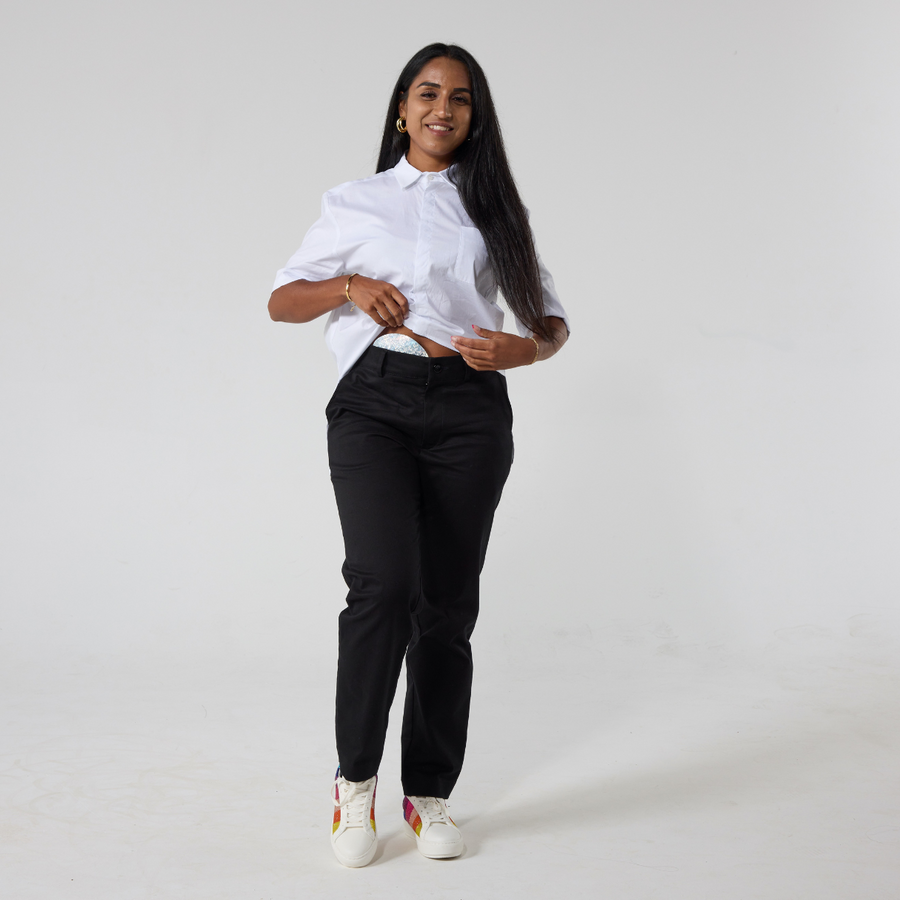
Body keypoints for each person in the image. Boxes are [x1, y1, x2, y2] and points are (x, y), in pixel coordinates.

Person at [268, 43, 569, 868]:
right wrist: (347, 288)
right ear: (402, 108)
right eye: (429, 93)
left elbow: (549, 320)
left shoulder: (495, 209)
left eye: (461, 98)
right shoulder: (355, 201)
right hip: (374, 404)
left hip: (470, 411)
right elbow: (281, 301)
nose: (444, 108)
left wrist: (526, 352)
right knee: (383, 587)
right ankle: (354, 783)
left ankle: (428, 792)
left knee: (446, 603)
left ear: (476, 117)